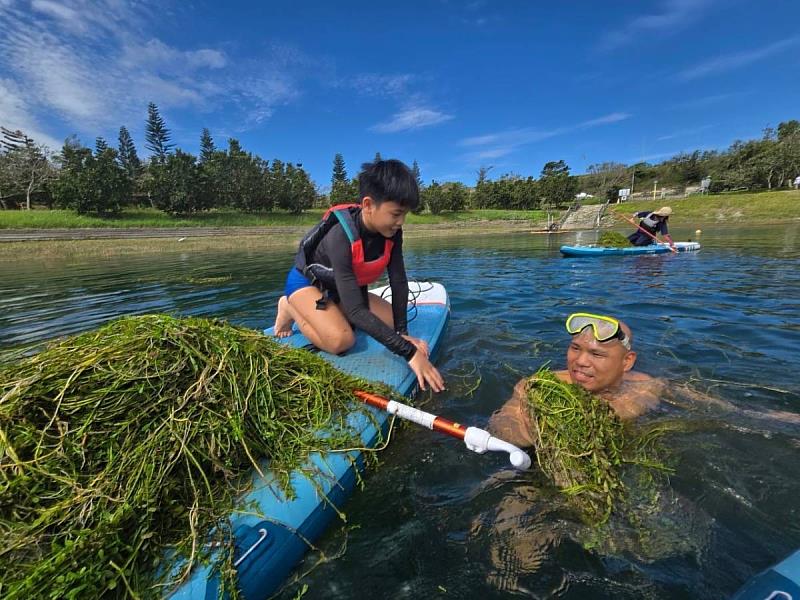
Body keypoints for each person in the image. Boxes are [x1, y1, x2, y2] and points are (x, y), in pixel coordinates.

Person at [489, 313, 800, 448]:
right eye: (574, 348)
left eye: (596, 354)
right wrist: (537, 430)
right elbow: (503, 426)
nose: (580, 361)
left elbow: (725, 412)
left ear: (627, 362)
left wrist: (776, 419)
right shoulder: (539, 385)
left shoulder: (648, 386)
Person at [273, 159, 445, 392]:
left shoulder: (393, 233)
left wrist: (402, 334)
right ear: (368, 204)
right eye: (396, 214)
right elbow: (356, 311)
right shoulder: (339, 236)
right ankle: (289, 306)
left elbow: (398, 281)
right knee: (342, 341)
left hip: (343, 289)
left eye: (405, 215)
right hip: (309, 286)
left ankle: (333, 311)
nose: (401, 222)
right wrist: (409, 353)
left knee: (393, 322)